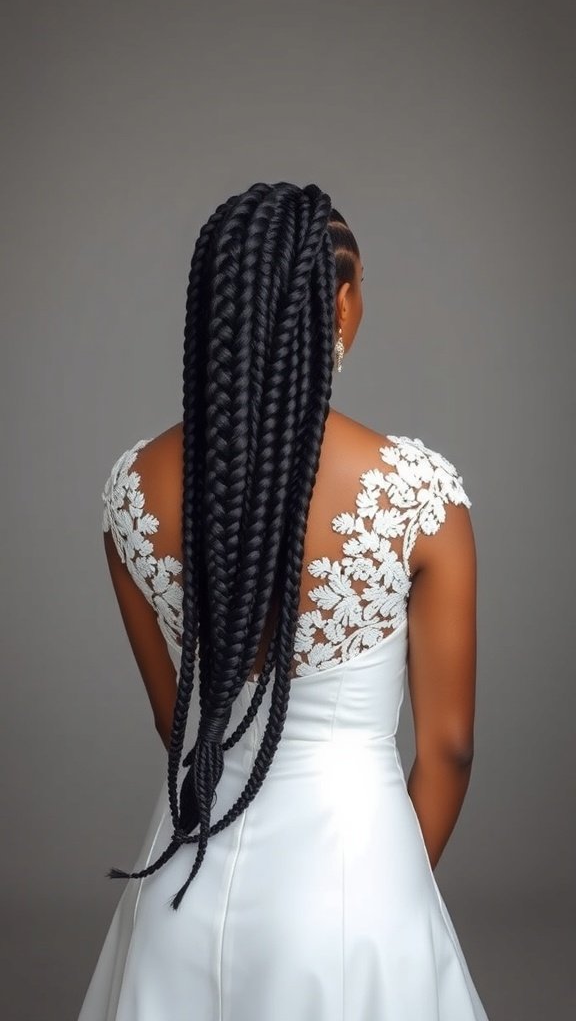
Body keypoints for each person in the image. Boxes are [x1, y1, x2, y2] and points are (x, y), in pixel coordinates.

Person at [78, 181, 490, 1019]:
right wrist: (395, 896)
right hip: (351, 883)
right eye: (361, 281)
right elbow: (446, 750)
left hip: (183, 879)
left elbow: (179, 722)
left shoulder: (131, 493)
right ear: (337, 305)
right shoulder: (417, 497)